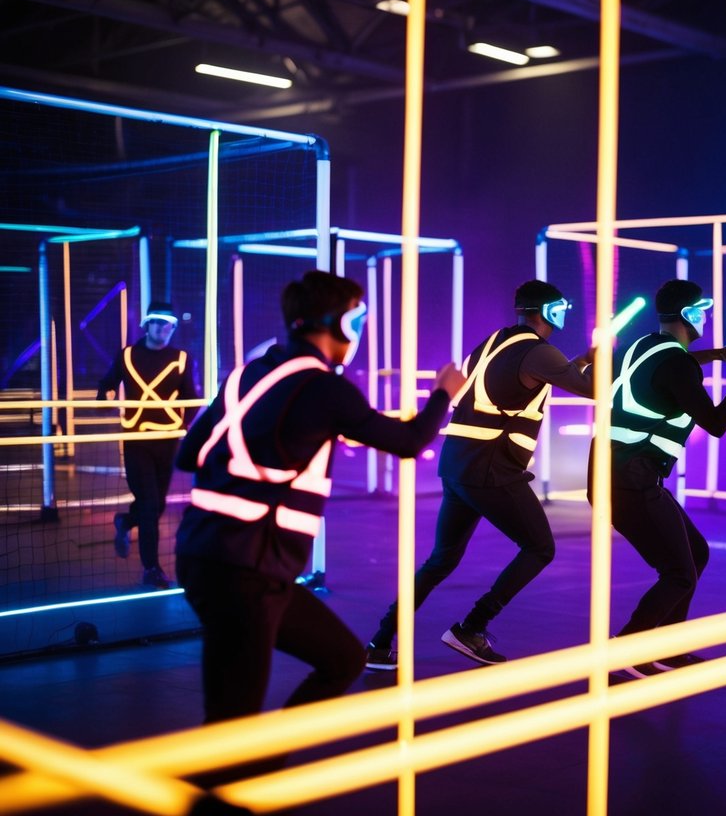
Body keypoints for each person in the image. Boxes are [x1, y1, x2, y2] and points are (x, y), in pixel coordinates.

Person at [175, 270, 464, 731]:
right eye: (359, 317)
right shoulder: (324, 388)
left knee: (341, 658)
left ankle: (254, 773)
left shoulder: (248, 375)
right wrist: (443, 394)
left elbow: (189, 454)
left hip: (204, 553)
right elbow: (410, 441)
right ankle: (238, 787)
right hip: (249, 567)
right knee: (233, 718)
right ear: (340, 323)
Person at [366, 280, 593, 669]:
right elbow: (590, 388)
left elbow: (522, 379)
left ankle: (380, 642)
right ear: (548, 311)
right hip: (491, 469)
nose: (564, 313)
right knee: (540, 548)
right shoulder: (539, 351)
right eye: (561, 307)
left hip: (457, 465)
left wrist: (580, 361)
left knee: (440, 561)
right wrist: (598, 365)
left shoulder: (493, 342)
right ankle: (472, 627)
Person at [593, 279, 726, 679]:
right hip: (631, 481)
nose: (706, 317)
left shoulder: (644, 345)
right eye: (701, 311)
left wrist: (719, 355)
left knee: (695, 554)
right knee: (680, 572)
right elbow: (716, 423)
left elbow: (675, 365)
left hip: (618, 475)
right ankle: (627, 650)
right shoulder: (676, 363)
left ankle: (666, 647)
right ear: (686, 315)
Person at [98, 301, 199, 589]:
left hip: (167, 442)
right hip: (136, 441)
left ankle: (126, 522)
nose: (163, 327)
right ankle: (151, 568)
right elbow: (106, 383)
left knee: (156, 506)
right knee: (150, 502)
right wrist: (103, 400)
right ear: (146, 324)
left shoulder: (181, 358)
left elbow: (191, 395)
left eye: (169, 323)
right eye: (157, 321)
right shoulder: (127, 355)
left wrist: (184, 425)